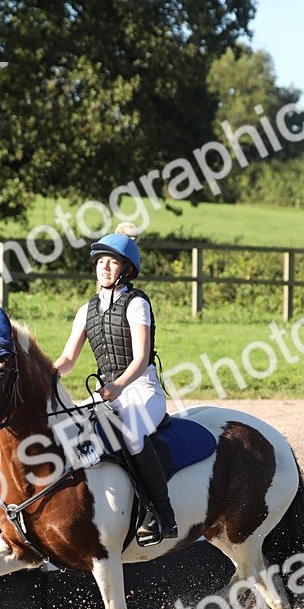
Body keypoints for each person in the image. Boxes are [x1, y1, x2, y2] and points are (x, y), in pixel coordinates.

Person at [54, 223, 178, 546]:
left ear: (125, 269)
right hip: (108, 394)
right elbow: (68, 359)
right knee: (71, 427)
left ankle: (164, 516)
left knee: (131, 432)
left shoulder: (136, 304)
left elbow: (139, 359)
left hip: (143, 390)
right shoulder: (86, 311)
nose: (104, 268)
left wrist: (119, 386)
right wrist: (45, 375)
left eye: (112, 262)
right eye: (100, 262)